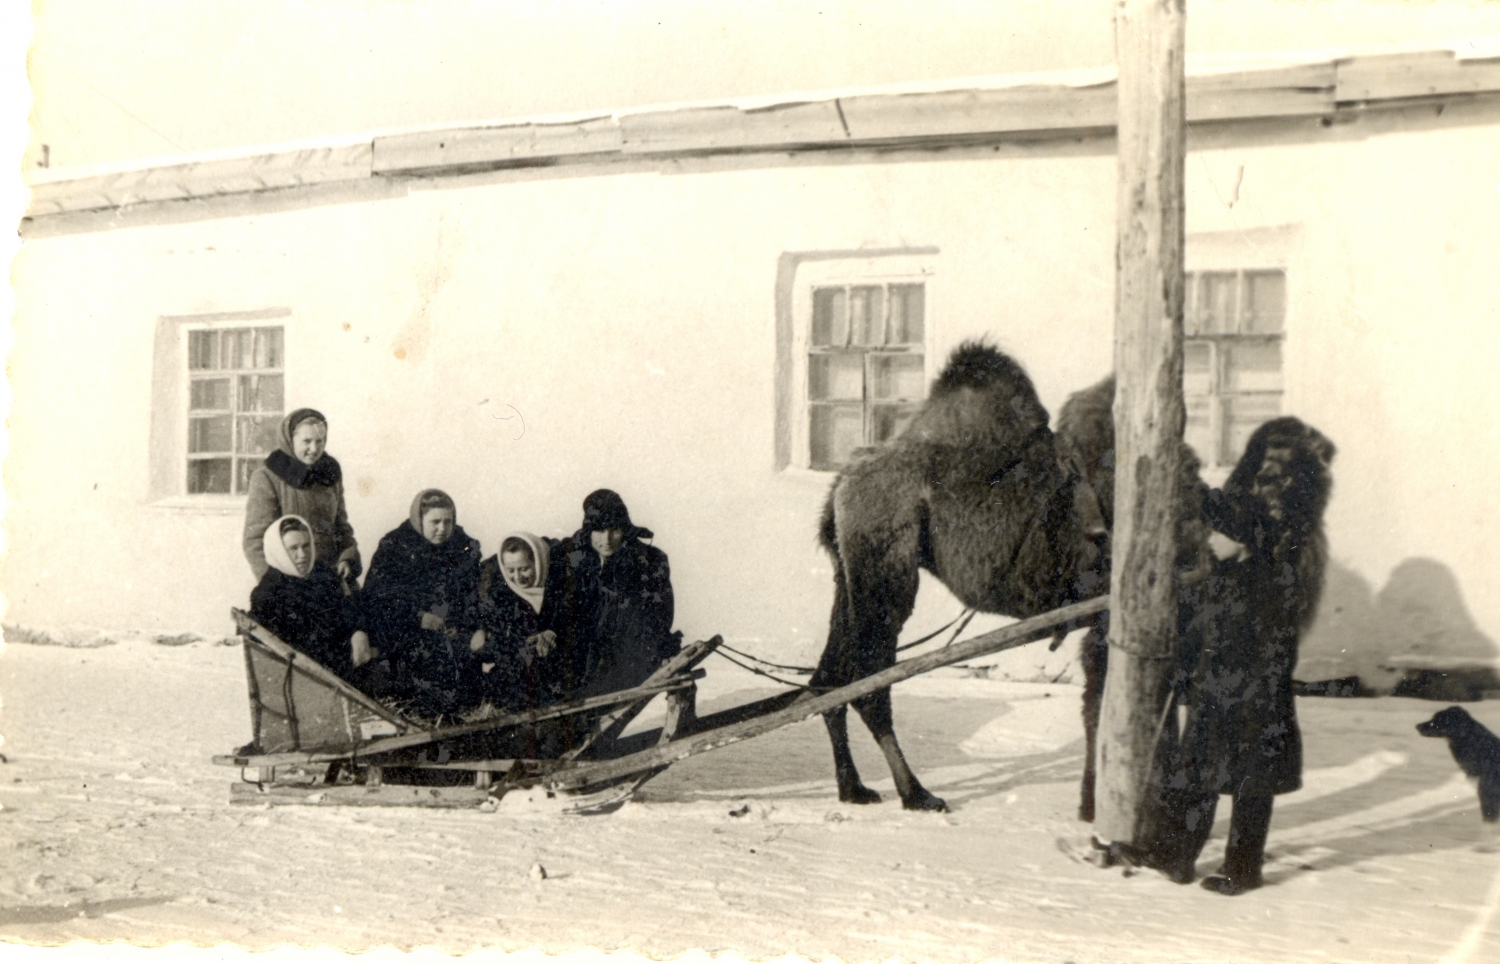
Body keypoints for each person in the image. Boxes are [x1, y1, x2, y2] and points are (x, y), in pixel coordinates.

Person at [360, 489, 485, 720]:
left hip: (450, 630)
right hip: (405, 630)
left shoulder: (463, 547)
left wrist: (464, 624)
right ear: (419, 520)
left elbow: (472, 594)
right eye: (435, 522)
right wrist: (419, 618)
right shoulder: (394, 546)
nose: (442, 528)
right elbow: (377, 597)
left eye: (448, 522)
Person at [559, 489, 679, 697]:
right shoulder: (577, 554)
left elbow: (660, 613)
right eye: (598, 530)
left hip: (630, 650)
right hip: (586, 649)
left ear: (624, 529)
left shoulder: (649, 561)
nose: (607, 539)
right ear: (589, 530)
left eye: (614, 529)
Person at [243, 408, 360, 584]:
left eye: (319, 441)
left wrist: (347, 558)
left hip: (330, 577)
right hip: (290, 583)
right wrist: (273, 584)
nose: (314, 449)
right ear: (290, 439)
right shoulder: (268, 477)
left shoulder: (330, 474)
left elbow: (341, 528)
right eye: (307, 441)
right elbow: (254, 541)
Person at [248, 514, 369, 679]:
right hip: (306, 677)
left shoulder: (323, 575)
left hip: (344, 667)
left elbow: (349, 610)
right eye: (293, 548)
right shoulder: (268, 594)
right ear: (279, 551)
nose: (303, 555)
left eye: (306, 546)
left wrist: (359, 632)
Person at [477, 532, 569, 710]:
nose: (518, 578)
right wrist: (522, 645)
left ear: (539, 561)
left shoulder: (561, 592)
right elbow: (494, 647)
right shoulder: (502, 601)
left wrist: (553, 634)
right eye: (510, 571)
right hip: (518, 689)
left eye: (524, 568)